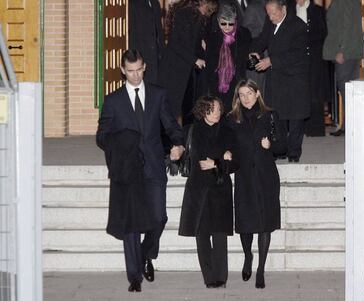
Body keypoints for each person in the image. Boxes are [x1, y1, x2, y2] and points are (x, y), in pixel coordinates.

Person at [96, 49, 185, 292]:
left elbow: (170, 123)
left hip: (154, 165)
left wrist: (179, 144)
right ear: (123, 70)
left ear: (144, 67)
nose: (135, 76)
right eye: (130, 71)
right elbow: (101, 136)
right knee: (131, 225)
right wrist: (121, 142)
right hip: (127, 170)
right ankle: (134, 276)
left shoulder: (158, 94)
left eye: (139, 70)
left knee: (159, 217)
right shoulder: (113, 100)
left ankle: (146, 254)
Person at [227, 79, 286, 289]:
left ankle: (261, 269)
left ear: (258, 93)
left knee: (264, 223)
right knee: (245, 223)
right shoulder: (232, 119)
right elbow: (227, 144)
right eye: (241, 95)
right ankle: (247, 256)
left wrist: (271, 144)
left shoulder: (269, 115)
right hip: (244, 177)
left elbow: (283, 146)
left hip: (265, 176)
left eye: (249, 93)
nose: (246, 98)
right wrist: (226, 154)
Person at [178, 95, 236, 288]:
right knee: (202, 235)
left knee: (219, 235)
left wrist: (217, 163)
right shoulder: (193, 131)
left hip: (220, 189)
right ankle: (209, 278)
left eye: (220, 108)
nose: (219, 112)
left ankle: (221, 277)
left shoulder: (227, 130)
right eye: (215, 109)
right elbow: (199, 160)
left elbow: (235, 160)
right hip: (199, 190)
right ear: (204, 111)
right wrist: (222, 158)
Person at [250, 0, 309, 162]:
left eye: (273, 13)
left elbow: (296, 55)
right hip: (276, 78)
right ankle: (280, 149)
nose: (270, 17)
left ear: (283, 9)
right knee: (277, 115)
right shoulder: (271, 24)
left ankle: (294, 153)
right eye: (268, 14)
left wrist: (271, 61)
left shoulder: (298, 27)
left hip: (295, 78)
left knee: (295, 117)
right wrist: (255, 52)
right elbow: (262, 39)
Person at [158, 0, 218, 122]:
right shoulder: (184, 13)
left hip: (188, 69)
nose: (209, 12)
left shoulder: (203, 18)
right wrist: (195, 59)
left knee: (185, 108)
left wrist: (204, 48)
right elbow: (175, 43)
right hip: (174, 67)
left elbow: (198, 42)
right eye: (208, 8)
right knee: (170, 108)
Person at [323, 0, 363, 136]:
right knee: (351, 91)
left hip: (345, 53)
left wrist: (342, 50)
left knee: (346, 90)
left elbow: (347, 26)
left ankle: (350, 127)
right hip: (352, 52)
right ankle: (350, 126)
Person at [289, 0, 327, 137]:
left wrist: (304, 38)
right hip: (293, 58)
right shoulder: (289, 9)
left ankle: (315, 128)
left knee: (314, 92)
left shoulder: (317, 10)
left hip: (314, 57)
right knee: (296, 92)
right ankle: (297, 129)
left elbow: (322, 32)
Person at [205, 3, 251, 112]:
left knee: (236, 114)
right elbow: (210, 65)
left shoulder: (244, 34)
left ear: (235, 21)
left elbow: (247, 55)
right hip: (218, 83)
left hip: (237, 80)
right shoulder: (213, 37)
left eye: (230, 24)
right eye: (223, 23)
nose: (226, 27)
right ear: (218, 21)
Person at [128, 0, 165, 84]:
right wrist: (135, 56)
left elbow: (159, 30)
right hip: (142, 54)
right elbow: (132, 33)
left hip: (157, 57)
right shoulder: (133, 3)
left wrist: (163, 53)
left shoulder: (155, 3)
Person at [243, 0, 268, 95]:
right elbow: (245, 34)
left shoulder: (281, 5)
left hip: (273, 59)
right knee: (257, 91)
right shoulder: (253, 7)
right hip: (258, 58)